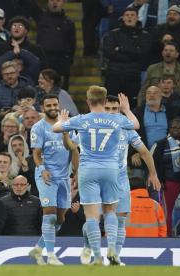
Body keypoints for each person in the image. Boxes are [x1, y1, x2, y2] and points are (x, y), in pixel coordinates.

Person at [52, 87, 139, 265]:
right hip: (111, 169)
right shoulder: (117, 119)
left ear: (88, 101)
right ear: (105, 100)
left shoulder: (82, 119)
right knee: (110, 211)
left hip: (88, 170)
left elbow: (56, 128)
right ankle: (113, 249)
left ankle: (98, 256)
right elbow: (135, 125)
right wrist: (127, 109)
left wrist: (62, 120)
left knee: (91, 216)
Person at [75, 95, 161, 265]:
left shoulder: (125, 127)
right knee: (94, 218)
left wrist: (153, 173)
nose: (112, 112)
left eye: (115, 109)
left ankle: (114, 257)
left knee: (120, 219)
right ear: (101, 108)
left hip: (119, 178)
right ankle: (87, 245)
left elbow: (144, 151)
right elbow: (74, 148)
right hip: (95, 177)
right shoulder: (91, 124)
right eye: (107, 108)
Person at [28, 94, 79, 266]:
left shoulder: (69, 125)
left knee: (60, 219)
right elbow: (36, 152)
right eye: (48, 105)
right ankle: (51, 256)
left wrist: (77, 173)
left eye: (54, 104)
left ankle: (38, 248)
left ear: (59, 105)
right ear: (43, 108)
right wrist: (42, 169)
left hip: (64, 176)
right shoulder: (38, 127)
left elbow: (74, 150)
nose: (52, 108)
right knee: (49, 215)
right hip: (46, 175)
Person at [152, 117, 180, 236]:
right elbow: (153, 162)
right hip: (169, 182)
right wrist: (159, 179)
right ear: (169, 129)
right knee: (169, 210)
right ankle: (168, 234)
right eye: (174, 127)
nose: (176, 130)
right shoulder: (160, 144)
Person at [126, 169, 167, 237]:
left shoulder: (123, 204)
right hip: (152, 245)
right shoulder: (156, 205)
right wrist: (159, 243)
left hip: (127, 245)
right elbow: (162, 228)